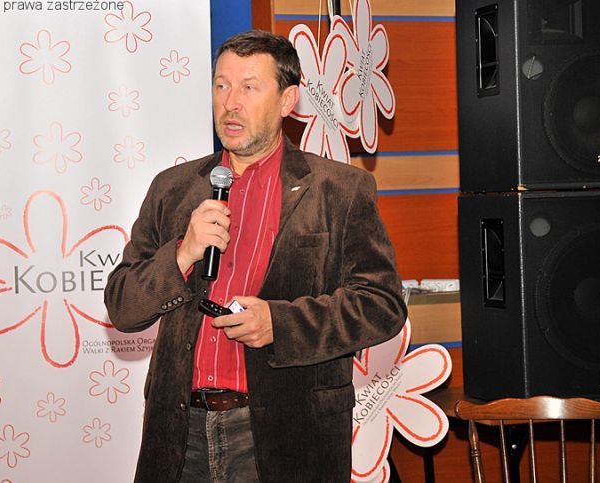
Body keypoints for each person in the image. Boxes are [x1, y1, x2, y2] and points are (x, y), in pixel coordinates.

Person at [104, 29, 406, 483]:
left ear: (287, 101)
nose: (230, 102)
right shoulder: (173, 188)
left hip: (285, 433)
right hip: (179, 431)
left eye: (249, 87)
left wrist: (279, 324)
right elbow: (123, 307)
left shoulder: (340, 190)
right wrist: (182, 254)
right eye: (221, 85)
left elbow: (382, 305)